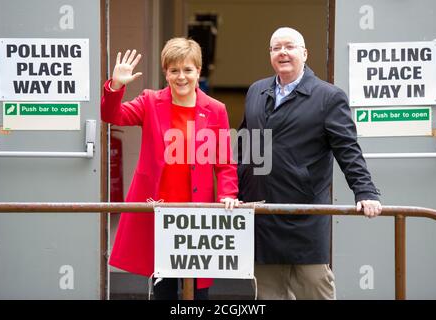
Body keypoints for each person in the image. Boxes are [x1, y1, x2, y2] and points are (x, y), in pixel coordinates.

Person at [237, 27, 382, 300]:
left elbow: (348, 150)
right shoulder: (256, 90)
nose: (283, 52)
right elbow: (245, 145)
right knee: (267, 295)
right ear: (270, 55)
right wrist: (234, 189)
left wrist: (366, 191)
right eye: (276, 47)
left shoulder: (328, 97)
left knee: (315, 291)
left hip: (304, 216)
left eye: (289, 46)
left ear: (304, 53)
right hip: (262, 215)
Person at [101, 38, 239, 300]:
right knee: (163, 289)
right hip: (160, 212)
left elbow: (225, 163)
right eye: (174, 70)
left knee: (198, 291)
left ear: (198, 71)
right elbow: (112, 115)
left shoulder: (216, 110)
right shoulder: (150, 102)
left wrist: (227, 195)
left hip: (197, 215)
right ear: (165, 73)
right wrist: (115, 85)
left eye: (188, 70)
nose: (181, 77)